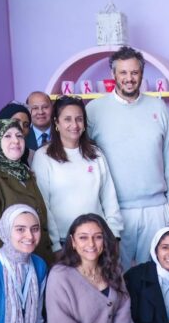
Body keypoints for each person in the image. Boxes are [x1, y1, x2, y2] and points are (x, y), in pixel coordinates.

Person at [86, 46, 169, 269]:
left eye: (134, 72)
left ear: (142, 74)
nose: (129, 78)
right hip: (114, 210)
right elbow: (86, 161)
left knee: (155, 274)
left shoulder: (158, 106)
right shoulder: (94, 110)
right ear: (113, 74)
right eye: (123, 73)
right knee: (117, 274)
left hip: (156, 209)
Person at [31, 96, 123, 257]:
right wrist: (55, 245)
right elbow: (43, 205)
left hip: (97, 241)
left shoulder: (96, 154)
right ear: (56, 123)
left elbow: (109, 198)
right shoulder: (43, 156)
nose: (74, 125)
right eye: (67, 119)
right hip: (63, 243)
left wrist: (114, 235)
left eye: (79, 119)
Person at [0, 119, 54, 265]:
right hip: (8, 269)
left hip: (37, 263)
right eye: (7, 136)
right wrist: (4, 273)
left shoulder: (26, 174)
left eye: (19, 135)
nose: (15, 141)